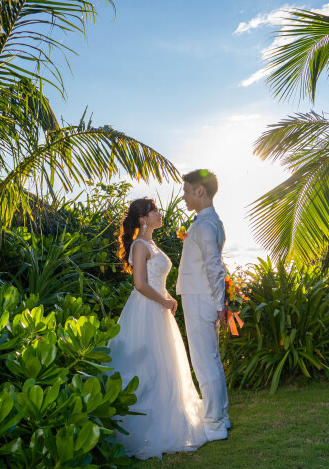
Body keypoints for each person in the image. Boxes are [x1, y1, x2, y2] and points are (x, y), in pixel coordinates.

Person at [108, 197, 207, 460]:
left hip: (159, 309)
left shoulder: (151, 243)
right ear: (143, 218)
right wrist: (164, 300)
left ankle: (167, 421)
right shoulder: (140, 245)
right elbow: (139, 284)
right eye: (154, 211)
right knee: (147, 367)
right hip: (146, 309)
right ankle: (145, 431)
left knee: (164, 367)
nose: (159, 213)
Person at [175, 169, 231, 442]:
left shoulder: (206, 225)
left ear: (200, 191)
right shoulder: (210, 222)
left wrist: (220, 305)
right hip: (202, 298)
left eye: (186, 190)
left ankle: (214, 423)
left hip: (200, 300)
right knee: (212, 360)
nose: (183, 196)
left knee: (204, 363)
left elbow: (214, 266)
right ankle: (221, 416)